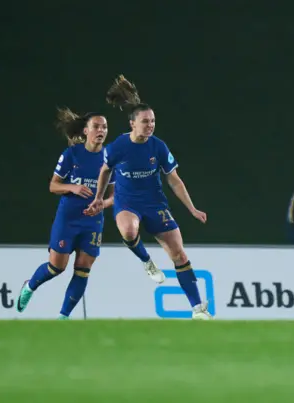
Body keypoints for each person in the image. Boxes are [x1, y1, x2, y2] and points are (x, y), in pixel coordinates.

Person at [86, 75, 212, 320]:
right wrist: (99, 198)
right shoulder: (117, 147)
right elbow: (105, 171)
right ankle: (147, 261)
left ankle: (198, 309)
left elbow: (174, 179)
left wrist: (192, 209)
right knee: (130, 231)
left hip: (155, 204)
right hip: (127, 202)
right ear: (132, 124)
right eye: (145, 121)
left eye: (153, 121)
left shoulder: (158, 147)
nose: (150, 125)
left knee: (179, 255)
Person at [16, 108, 114, 319]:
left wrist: (101, 204)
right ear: (86, 130)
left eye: (104, 127)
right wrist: (73, 187)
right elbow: (53, 186)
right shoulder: (72, 154)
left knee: (83, 268)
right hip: (68, 218)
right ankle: (30, 286)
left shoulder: (110, 158)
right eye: (96, 126)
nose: (101, 130)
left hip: (93, 221)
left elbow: (115, 196)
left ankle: (64, 317)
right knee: (56, 267)